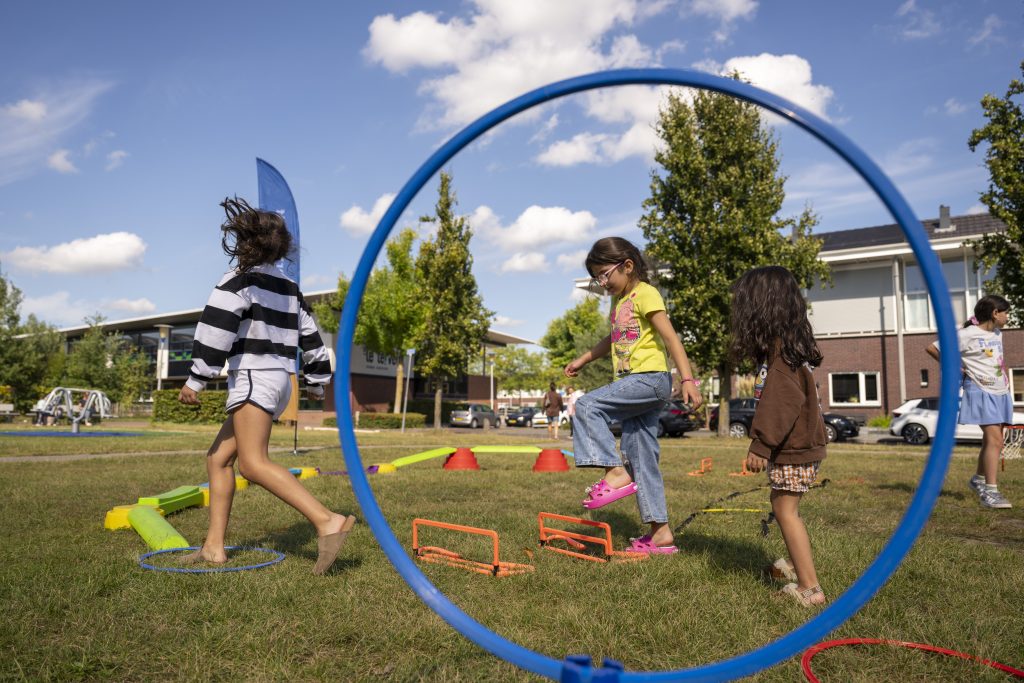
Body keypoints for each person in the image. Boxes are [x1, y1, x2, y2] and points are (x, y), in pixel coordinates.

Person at [178, 197, 356, 574]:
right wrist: (317, 382)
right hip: (280, 382)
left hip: (254, 378)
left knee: (253, 465)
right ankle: (213, 547)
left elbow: (215, 331)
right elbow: (311, 335)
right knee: (217, 459)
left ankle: (327, 521)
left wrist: (197, 377)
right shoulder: (289, 287)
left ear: (243, 243)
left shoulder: (237, 282)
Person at [564, 237, 701, 554]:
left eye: (604, 275)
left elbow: (671, 339)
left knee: (586, 406)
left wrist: (688, 379)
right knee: (642, 458)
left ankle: (614, 473)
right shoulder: (618, 302)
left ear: (627, 266)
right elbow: (611, 340)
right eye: (597, 277)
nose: (602, 283)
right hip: (634, 385)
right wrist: (585, 358)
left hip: (650, 380)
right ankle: (661, 533)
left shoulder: (646, 294)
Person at [730, 266, 827, 606]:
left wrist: (762, 443)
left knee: (786, 510)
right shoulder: (783, 348)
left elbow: (781, 402)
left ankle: (810, 588)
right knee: (783, 505)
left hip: (791, 445)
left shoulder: (783, 355)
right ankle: (793, 565)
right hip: (797, 445)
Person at [926, 294, 1013, 509]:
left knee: (991, 440)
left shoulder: (997, 333)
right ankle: (990, 492)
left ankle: (979, 479)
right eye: (1006, 312)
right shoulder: (966, 334)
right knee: (995, 441)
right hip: (980, 390)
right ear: (995, 313)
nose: (1008, 316)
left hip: (1000, 390)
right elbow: (933, 348)